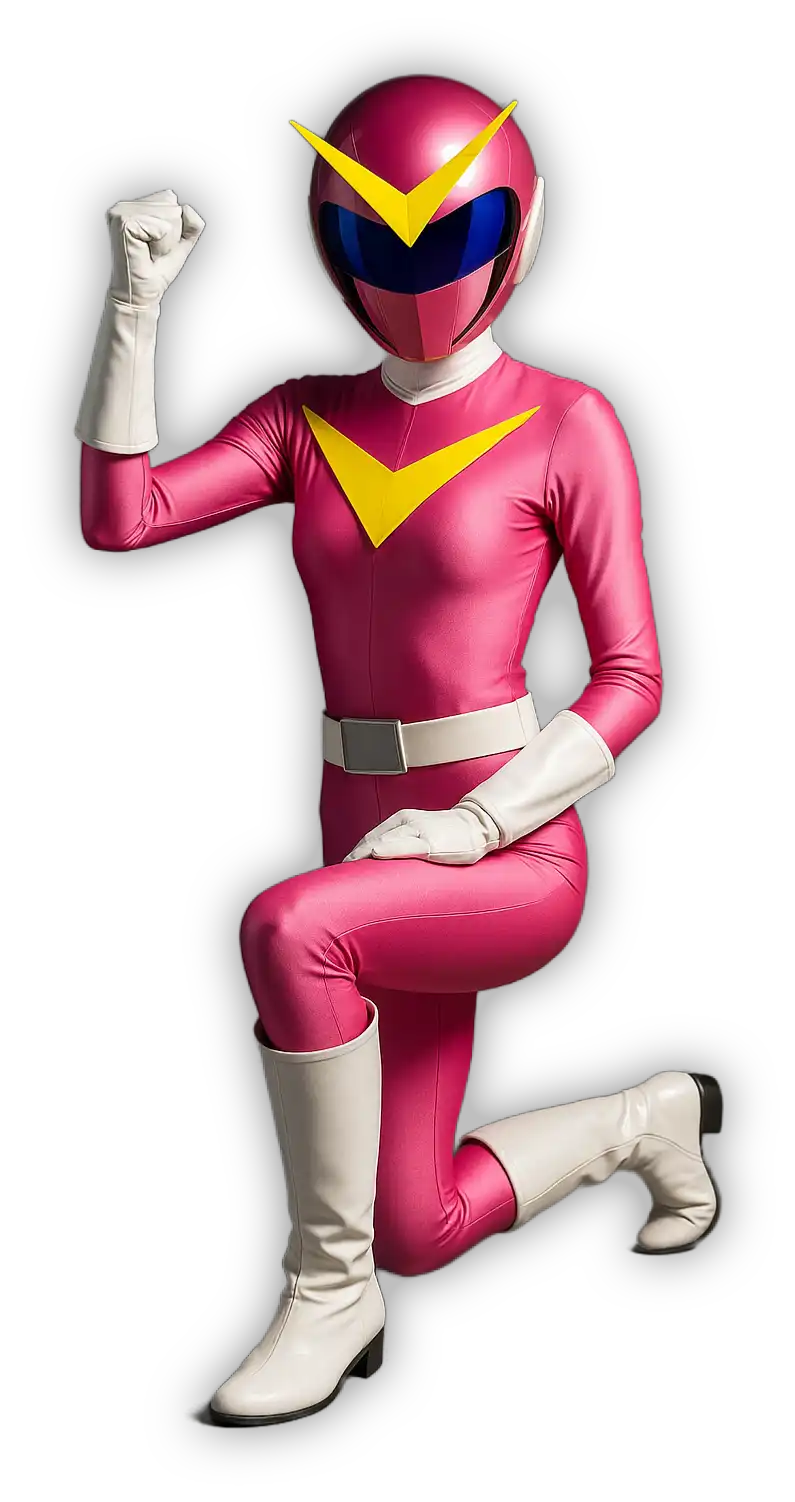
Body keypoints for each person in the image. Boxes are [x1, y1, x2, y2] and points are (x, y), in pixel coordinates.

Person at [75, 74, 724, 1429]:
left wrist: (474, 824)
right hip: (362, 837)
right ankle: (644, 1120)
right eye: (380, 239)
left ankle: (326, 1292)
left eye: (450, 235)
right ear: (328, 240)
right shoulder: (306, 414)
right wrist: (135, 301)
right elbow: (123, 516)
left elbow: (633, 679)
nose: (418, 275)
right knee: (419, 1223)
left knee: (288, 933)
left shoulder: (568, 420)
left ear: (522, 226)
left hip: (511, 855)